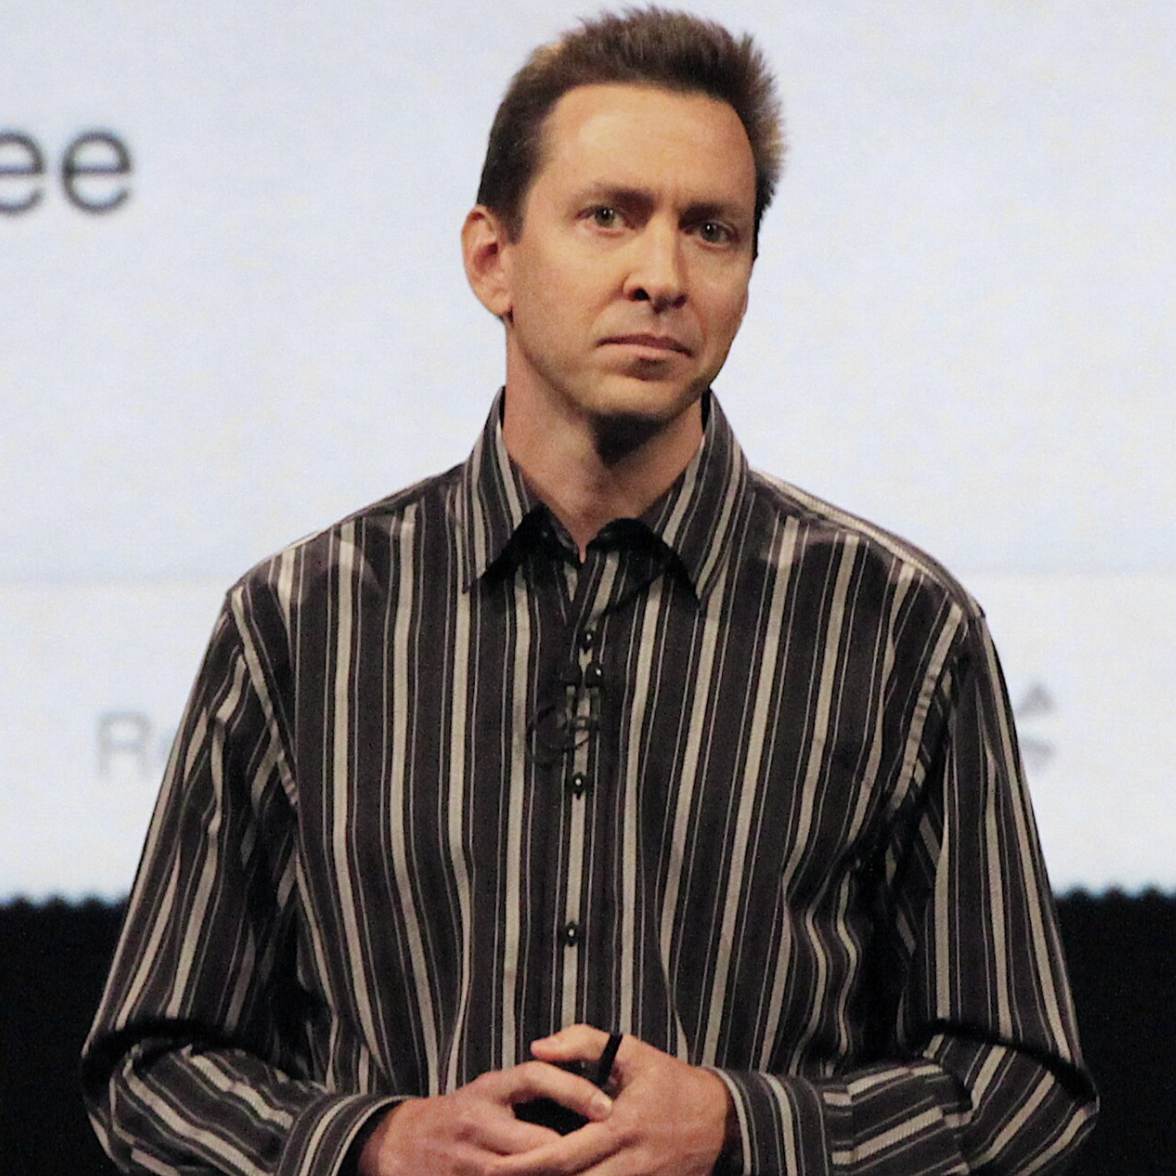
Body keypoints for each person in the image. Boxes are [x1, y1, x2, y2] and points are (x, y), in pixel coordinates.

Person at [83, 9, 1097, 1176]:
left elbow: (1024, 1083)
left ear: (749, 275)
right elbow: (151, 1067)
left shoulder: (901, 628)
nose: (661, 275)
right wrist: (371, 1144)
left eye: (711, 231)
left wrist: (743, 1130)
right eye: (609, 215)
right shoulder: (302, 624)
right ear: (491, 257)